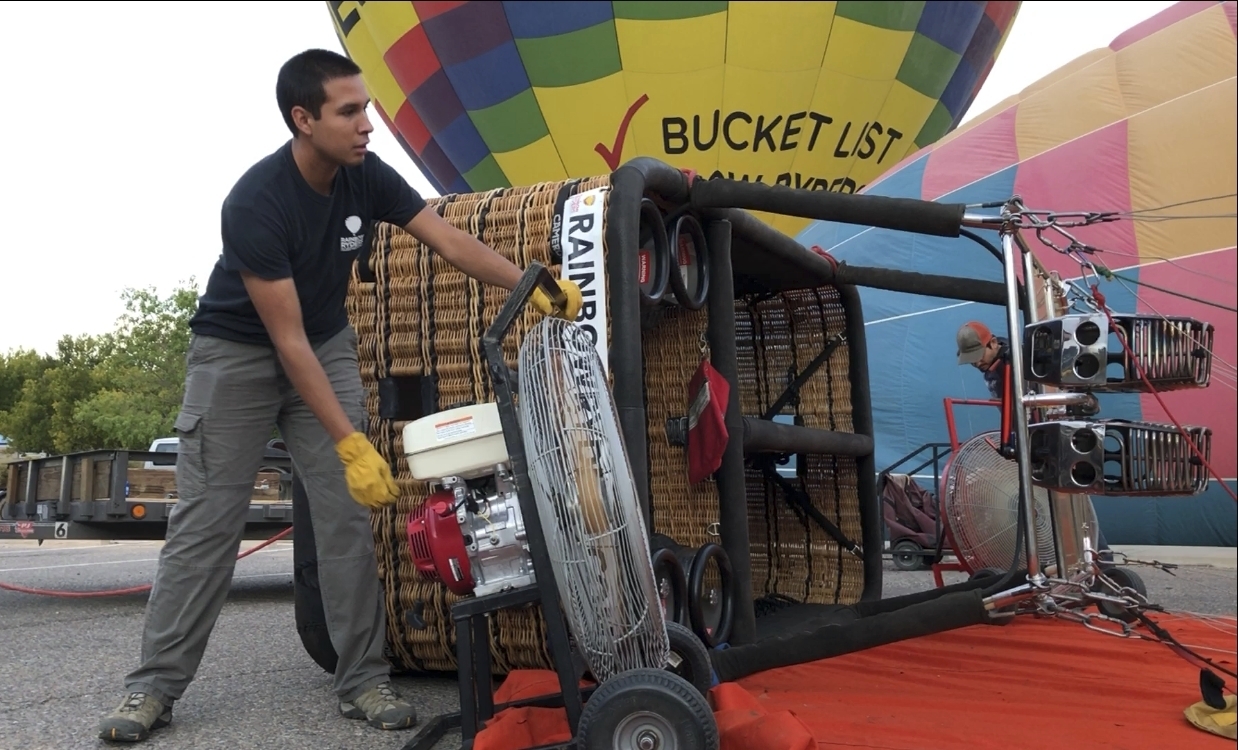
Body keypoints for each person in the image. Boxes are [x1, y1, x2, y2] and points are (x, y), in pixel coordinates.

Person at [97, 49, 582, 743]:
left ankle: (363, 681)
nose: (367, 125)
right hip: (239, 353)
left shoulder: (365, 177)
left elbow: (446, 239)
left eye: (367, 109)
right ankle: (152, 689)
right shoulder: (255, 202)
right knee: (206, 527)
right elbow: (284, 342)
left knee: (347, 520)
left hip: (321, 341)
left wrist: (529, 284)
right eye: (349, 112)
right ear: (304, 119)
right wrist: (351, 443)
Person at [955, 321, 1009, 401]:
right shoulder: (993, 362)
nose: (977, 364)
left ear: (993, 343)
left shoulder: (1014, 366)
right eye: (971, 359)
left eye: (979, 355)